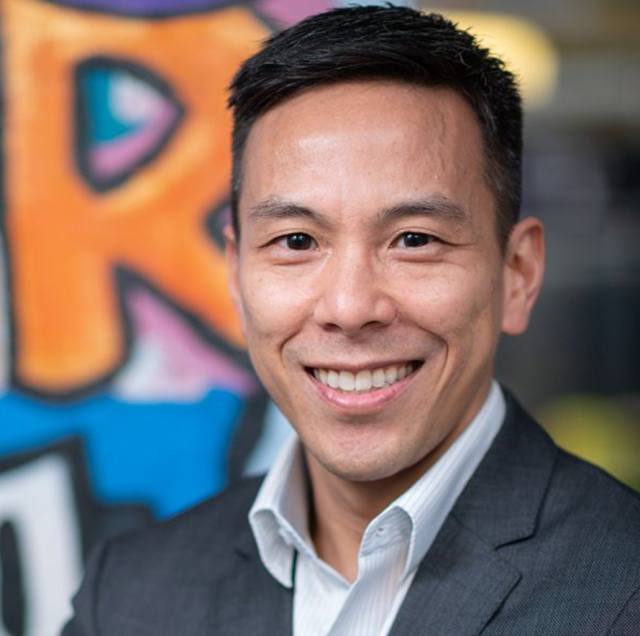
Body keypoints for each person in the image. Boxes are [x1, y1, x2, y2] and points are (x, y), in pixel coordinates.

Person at [62, 6, 640, 635]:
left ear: (519, 273)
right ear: (235, 273)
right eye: (297, 241)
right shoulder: (129, 594)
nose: (350, 308)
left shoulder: (623, 588)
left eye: (414, 239)